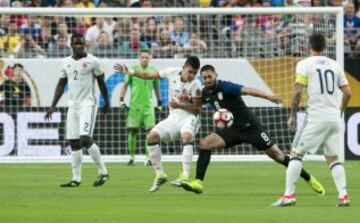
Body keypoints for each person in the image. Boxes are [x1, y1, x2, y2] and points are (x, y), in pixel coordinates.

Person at [181, 64, 324, 196]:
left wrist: (268, 96)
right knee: (204, 144)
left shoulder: (226, 87)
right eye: (204, 77)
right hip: (230, 129)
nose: (207, 80)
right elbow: (198, 103)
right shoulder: (205, 92)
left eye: (209, 76)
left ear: (215, 75)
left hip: (250, 128)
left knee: (278, 156)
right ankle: (198, 183)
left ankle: (309, 178)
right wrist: (186, 99)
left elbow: (248, 90)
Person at [272, 33, 351, 207]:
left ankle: (289, 195)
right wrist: (340, 111)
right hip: (333, 117)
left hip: (316, 116)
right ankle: (343, 195)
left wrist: (292, 114)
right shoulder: (335, 65)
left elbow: (298, 91)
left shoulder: (304, 64)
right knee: (333, 158)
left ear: (309, 46)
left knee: (295, 153)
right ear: (325, 47)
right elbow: (347, 93)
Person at [114, 56, 202, 192]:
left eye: (194, 73)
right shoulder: (172, 72)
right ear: (183, 67)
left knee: (187, 136)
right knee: (151, 137)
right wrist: (129, 71)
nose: (191, 76)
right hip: (173, 118)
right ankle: (160, 174)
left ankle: (185, 176)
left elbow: (197, 110)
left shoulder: (196, 85)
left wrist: (179, 105)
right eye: (190, 71)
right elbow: (147, 75)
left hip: (189, 118)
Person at [44, 33, 110, 187]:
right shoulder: (66, 62)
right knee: (74, 142)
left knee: (85, 139)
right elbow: (61, 84)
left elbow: (101, 83)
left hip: (87, 104)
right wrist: (53, 105)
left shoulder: (93, 61)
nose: (79, 46)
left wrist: (106, 102)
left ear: (84, 44)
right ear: (71, 44)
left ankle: (104, 172)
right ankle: (76, 179)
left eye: (81, 43)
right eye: (76, 43)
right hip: (72, 105)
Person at [119, 50, 162, 166]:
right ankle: (132, 157)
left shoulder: (153, 71)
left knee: (150, 132)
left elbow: (157, 88)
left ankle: (148, 158)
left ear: (150, 58)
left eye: (146, 57)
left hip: (148, 106)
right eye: (142, 57)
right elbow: (125, 85)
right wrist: (121, 100)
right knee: (132, 131)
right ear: (139, 58)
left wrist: (159, 102)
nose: (144, 59)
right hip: (135, 106)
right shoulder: (132, 69)